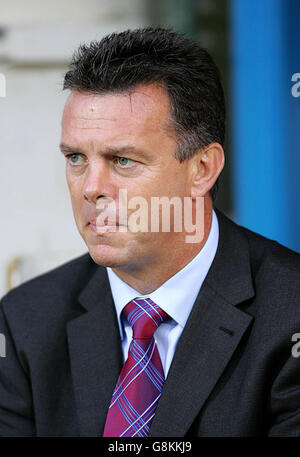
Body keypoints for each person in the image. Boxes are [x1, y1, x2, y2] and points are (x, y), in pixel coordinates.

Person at [0, 27, 300, 437]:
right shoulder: (24, 322)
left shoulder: (290, 315)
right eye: (75, 158)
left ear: (202, 169)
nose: (91, 188)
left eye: (122, 160)